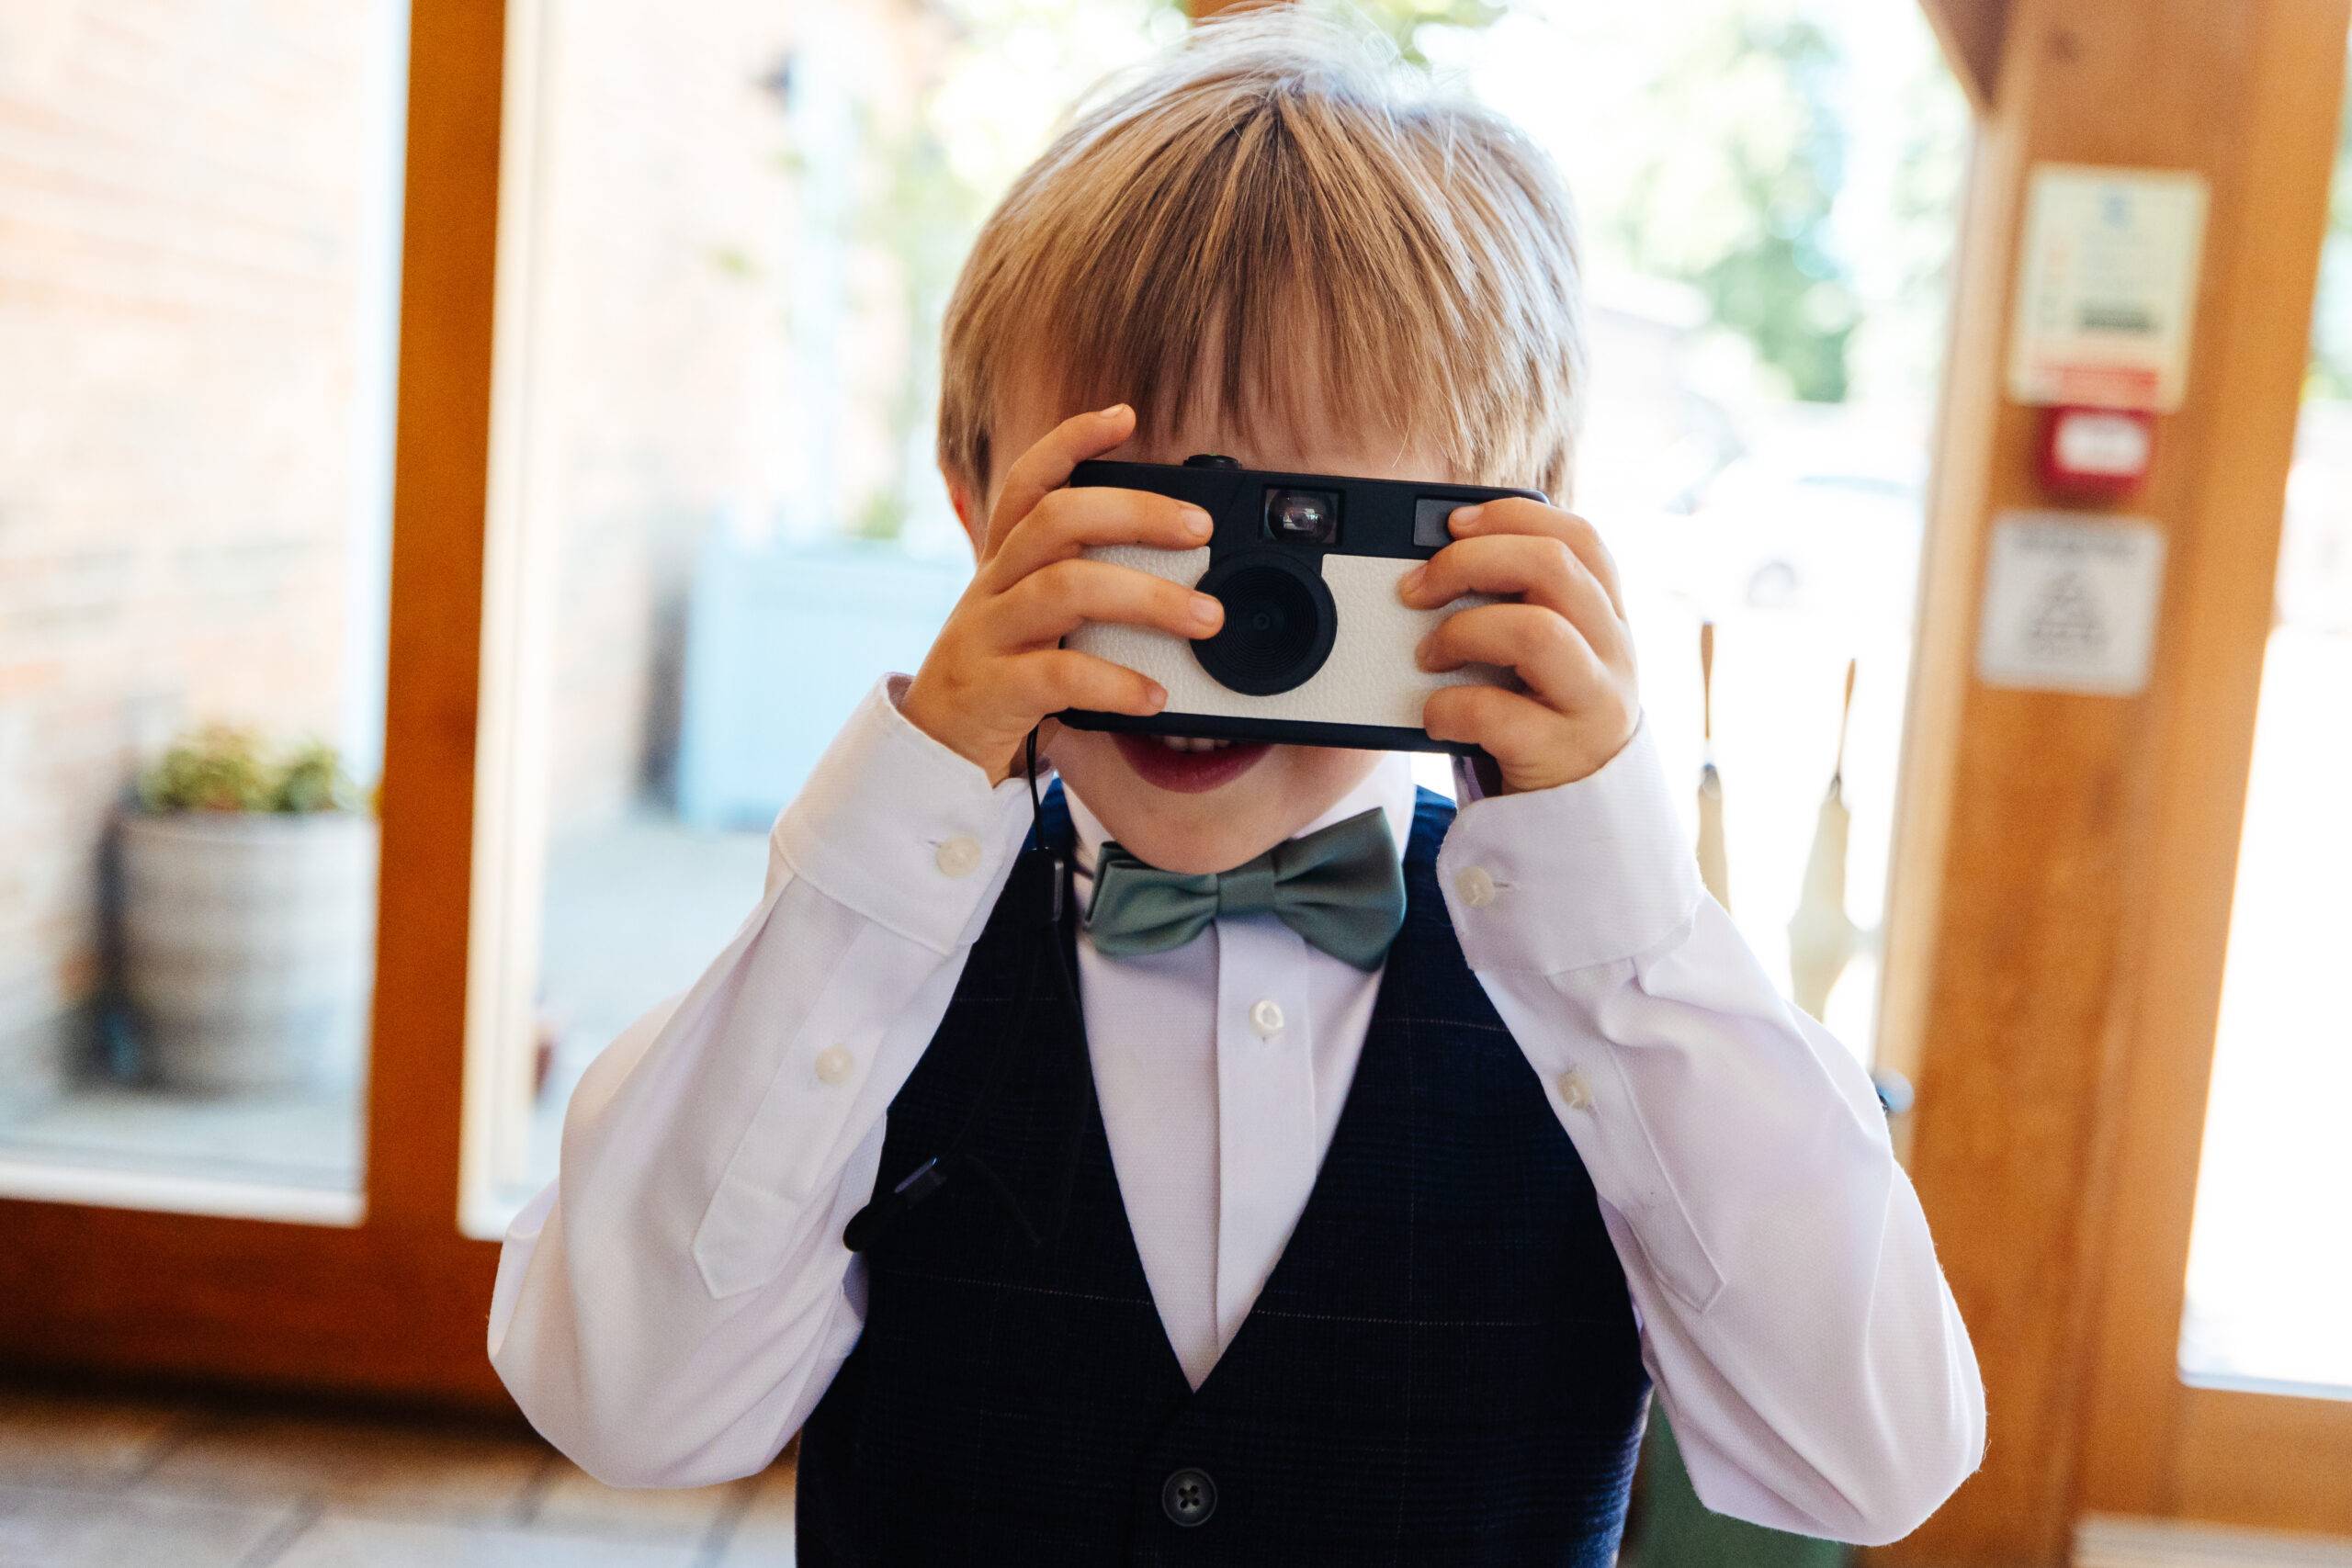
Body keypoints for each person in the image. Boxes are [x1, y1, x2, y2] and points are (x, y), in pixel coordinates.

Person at [489, 14, 1984, 1562]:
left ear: (1490, 544)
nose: (1214, 622)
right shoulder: (871, 971)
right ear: (975, 506)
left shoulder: (1610, 1006)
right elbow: (627, 1404)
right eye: (1134, 519)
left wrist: (1612, 897)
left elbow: (1868, 1466)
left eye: (1307, 529)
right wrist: (901, 821)